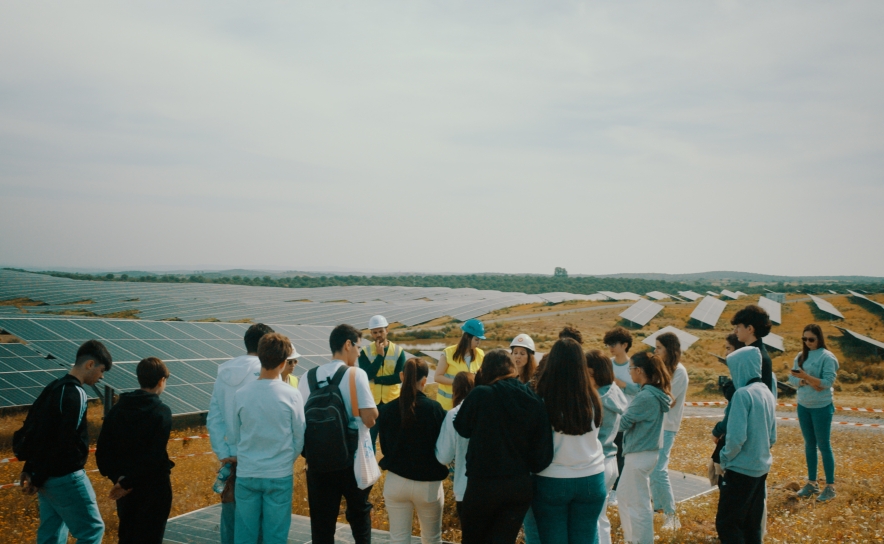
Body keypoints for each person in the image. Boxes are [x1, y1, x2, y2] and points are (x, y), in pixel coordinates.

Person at [17, 340, 112, 544]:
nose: (102, 376)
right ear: (89, 364)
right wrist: (38, 475)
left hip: (47, 477)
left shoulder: (53, 388)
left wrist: (32, 469)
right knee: (92, 530)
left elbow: (39, 432)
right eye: (101, 369)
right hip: (66, 477)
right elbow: (64, 441)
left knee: (52, 533)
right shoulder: (77, 393)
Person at [454, 350, 553, 544]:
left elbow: (462, 428)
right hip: (518, 486)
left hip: (483, 484)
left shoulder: (481, 394)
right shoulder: (533, 399)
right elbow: (541, 453)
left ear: (486, 370)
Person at [298, 324, 378, 544]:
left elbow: (300, 420)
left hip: (317, 463)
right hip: (351, 461)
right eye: (358, 347)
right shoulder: (355, 374)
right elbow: (370, 419)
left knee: (322, 525)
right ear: (347, 344)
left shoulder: (307, 376)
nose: (360, 353)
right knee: (359, 518)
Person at [529, 339, 607, 544]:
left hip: (552, 477)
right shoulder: (592, 398)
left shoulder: (543, 398)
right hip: (591, 477)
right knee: (586, 537)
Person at [231, 333, 306, 544]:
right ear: (283, 363)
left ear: (260, 358)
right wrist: (284, 460)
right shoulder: (292, 394)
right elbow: (299, 436)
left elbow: (236, 434)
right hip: (279, 474)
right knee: (276, 535)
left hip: (247, 473)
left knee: (245, 535)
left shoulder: (241, 394)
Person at [207, 323, 274, 544]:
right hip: (259, 459)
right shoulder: (264, 372)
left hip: (232, 459)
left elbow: (214, 418)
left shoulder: (224, 372)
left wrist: (224, 454)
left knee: (232, 520)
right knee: (261, 524)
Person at [96, 357, 173, 544]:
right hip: (154, 490)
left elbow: (102, 452)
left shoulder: (117, 409)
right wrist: (127, 483)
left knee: (128, 537)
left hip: (125, 491)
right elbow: (154, 457)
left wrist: (120, 481)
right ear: (161, 381)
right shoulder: (161, 411)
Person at [378, 358, 449, 544]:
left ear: (402, 376)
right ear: (425, 381)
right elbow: (443, 449)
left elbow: (385, 447)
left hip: (396, 481)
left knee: (398, 538)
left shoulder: (387, 410)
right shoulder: (434, 409)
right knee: (432, 538)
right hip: (428, 485)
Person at [715, 344, 777, 544]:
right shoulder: (767, 392)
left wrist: (724, 458)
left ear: (740, 367)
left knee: (727, 524)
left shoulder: (742, 395)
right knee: (751, 525)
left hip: (740, 470)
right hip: (760, 469)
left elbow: (736, 438)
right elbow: (772, 436)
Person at [617, 351, 671, 544]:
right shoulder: (653, 393)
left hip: (638, 455)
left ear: (639, 370)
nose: (629, 372)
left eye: (630, 368)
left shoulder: (645, 396)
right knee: (623, 496)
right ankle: (632, 538)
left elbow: (623, 424)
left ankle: (641, 541)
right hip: (646, 453)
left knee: (639, 505)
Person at [789, 324, 839, 502]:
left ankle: (830, 487)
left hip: (822, 407)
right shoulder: (800, 356)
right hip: (804, 405)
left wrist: (806, 377)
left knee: (824, 445)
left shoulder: (828, 357)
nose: (807, 342)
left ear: (819, 338)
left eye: (811, 339)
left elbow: (827, 382)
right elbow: (792, 379)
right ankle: (812, 483)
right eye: (804, 339)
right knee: (809, 444)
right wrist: (807, 382)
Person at [585, 350, 627, 544]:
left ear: (594, 373)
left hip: (598, 462)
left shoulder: (596, 401)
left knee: (591, 521)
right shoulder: (613, 391)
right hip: (612, 460)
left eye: (586, 372)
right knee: (601, 518)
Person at [651, 332, 689, 531]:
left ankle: (672, 515)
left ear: (670, 350)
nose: (655, 351)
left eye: (659, 348)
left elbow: (668, 400)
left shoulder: (679, 372)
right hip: (657, 424)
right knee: (652, 469)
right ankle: (658, 508)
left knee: (659, 470)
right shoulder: (662, 368)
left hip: (667, 426)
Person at [359, 315, 407, 450]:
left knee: (391, 437)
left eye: (381, 331)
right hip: (371, 402)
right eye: (375, 332)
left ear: (387, 330)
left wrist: (377, 379)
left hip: (392, 402)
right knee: (370, 439)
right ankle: (372, 469)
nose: (378, 335)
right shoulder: (364, 352)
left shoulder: (398, 351)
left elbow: (399, 377)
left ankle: (390, 467)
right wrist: (379, 356)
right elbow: (366, 375)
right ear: (371, 333)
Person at [435, 372, 475, 518]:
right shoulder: (488, 410)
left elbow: (444, 456)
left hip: (465, 487)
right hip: (495, 486)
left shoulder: (453, 414)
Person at [604, 326, 636, 500]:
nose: (611, 347)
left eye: (614, 343)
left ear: (625, 345)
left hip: (626, 417)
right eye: (609, 343)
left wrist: (621, 383)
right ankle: (609, 487)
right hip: (608, 416)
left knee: (621, 454)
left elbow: (639, 389)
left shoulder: (633, 366)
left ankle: (617, 491)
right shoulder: (607, 364)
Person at [436, 319, 486, 410]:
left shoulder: (480, 354)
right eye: (476, 339)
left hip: (468, 406)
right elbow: (437, 377)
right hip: (447, 406)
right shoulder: (448, 353)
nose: (479, 343)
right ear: (466, 337)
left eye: (480, 340)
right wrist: (459, 383)